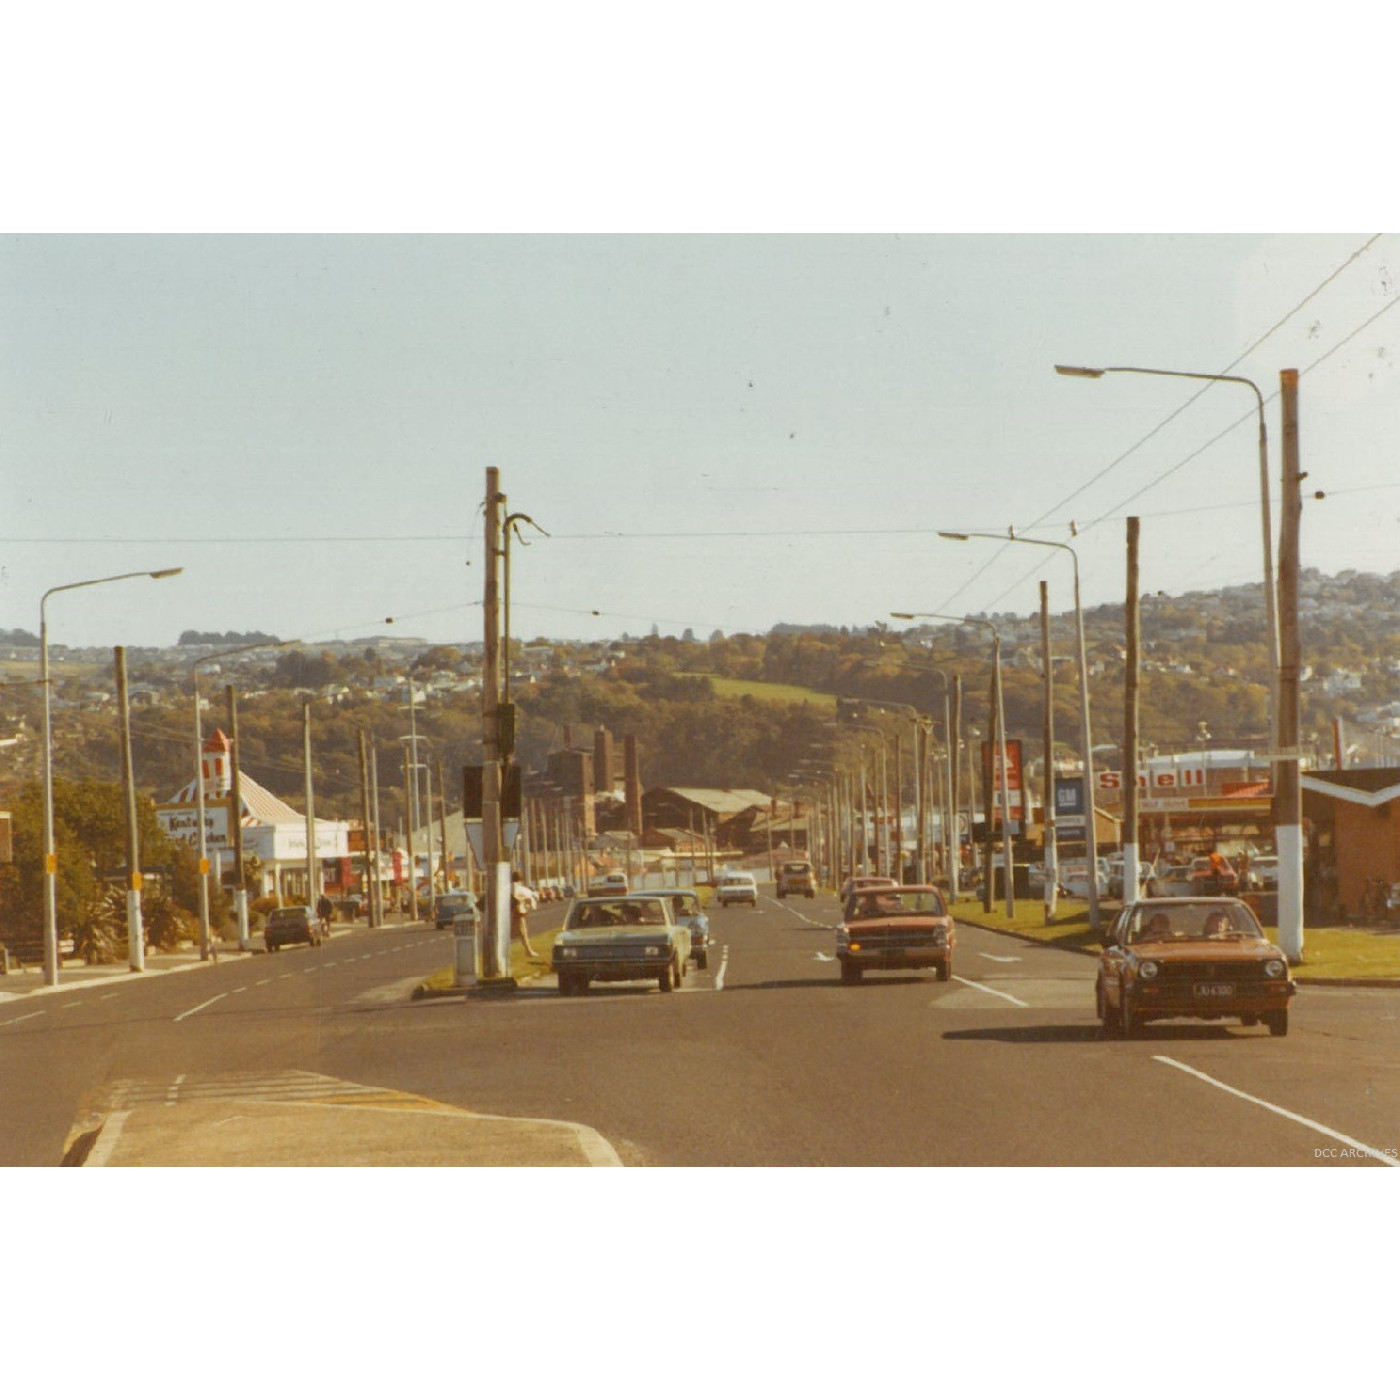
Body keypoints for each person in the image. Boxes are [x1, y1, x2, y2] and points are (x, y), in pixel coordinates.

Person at [510, 871, 541, 958]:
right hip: (518, 913)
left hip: (514, 913)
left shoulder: (510, 887)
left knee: (521, 932)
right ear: (521, 879)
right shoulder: (520, 889)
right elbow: (532, 897)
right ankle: (529, 951)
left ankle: (528, 951)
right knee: (522, 932)